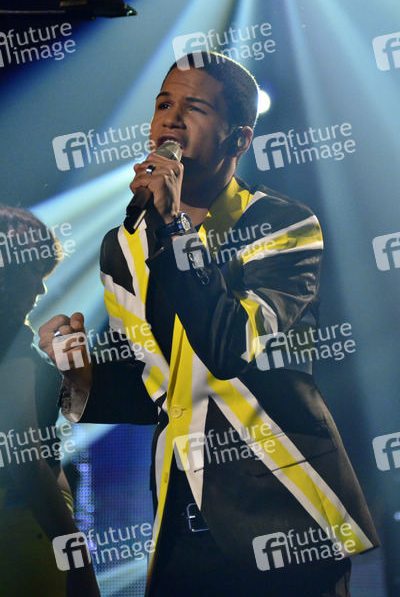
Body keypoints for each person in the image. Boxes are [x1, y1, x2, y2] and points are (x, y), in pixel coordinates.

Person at [39, 52, 379, 596]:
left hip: (284, 512)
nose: (171, 120)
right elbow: (156, 387)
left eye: (195, 108)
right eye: (163, 105)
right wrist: (79, 375)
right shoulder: (123, 245)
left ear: (238, 139)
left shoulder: (280, 224)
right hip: (182, 518)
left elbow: (227, 347)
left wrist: (174, 227)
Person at [0, 205, 100, 597]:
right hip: (26, 523)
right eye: (34, 272)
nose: (41, 290)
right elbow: (24, 458)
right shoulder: (11, 345)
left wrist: (75, 376)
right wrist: (75, 552)